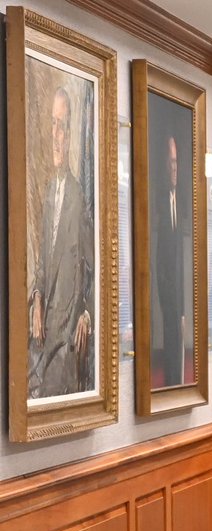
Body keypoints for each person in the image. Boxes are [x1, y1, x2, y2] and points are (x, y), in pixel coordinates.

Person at [29, 86, 94, 400]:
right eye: (53, 124)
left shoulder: (78, 197)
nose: (57, 134)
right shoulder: (47, 194)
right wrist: (37, 295)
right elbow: (43, 262)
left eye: (63, 126)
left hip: (65, 335)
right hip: (42, 333)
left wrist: (87, 312)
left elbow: (95, 265)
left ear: (70, 135)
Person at [156, 135, 187, 387]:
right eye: (170, 162)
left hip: (180, 298)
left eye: (177, 162)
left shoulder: (181, 202)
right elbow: (161, 262)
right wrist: (171, 303)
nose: (174, 168)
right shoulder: (159, 205)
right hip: (168, 298)